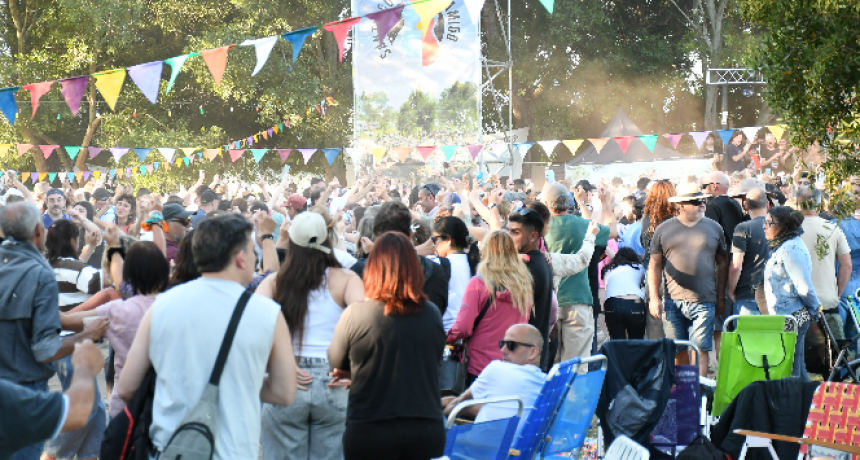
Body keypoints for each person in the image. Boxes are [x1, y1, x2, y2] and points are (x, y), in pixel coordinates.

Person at [117, 214, 298, 460]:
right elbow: (284, 392)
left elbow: (127, 388)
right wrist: (242, 380)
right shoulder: (267, 313)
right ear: (239, 258)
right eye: (251, 250)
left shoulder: (161, 306)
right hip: (234, 451)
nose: (255, 256)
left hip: (170, 448)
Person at [0, 202, 108, 460]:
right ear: (39, 232)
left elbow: (53, 317)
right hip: (23, 390)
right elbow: (45, 348)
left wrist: (90, 323)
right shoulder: (40, 274)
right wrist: (85, 340)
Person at [256, 212, 365, 460]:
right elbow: (368, 325)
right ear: (327, 239)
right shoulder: (347, 279)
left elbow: (252, 325)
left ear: (292, 242)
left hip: (286, 378)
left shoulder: (275, 282)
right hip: (333, 379)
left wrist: (275, 363)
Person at [328, 232, 446, 460]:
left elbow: (336, 363)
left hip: (370, 428)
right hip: (424, 428)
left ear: (372, 268)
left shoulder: (356, 314)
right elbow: (431, 359)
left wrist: (355, 372)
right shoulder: (431, 313)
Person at [61, 242, 169, 418]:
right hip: (165, 403)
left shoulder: (116, 310)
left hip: (124, 407)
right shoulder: (177, 304)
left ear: (129, 274)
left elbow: (66, 320)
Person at [649, 183, 727, 376]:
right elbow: (654, 265)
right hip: (672, 300)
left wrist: (720, 297)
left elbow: (723, 263)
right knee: (678, 349)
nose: (702, 204)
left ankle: (698, 391)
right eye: (696, 201)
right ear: (681, 205)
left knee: (701, 348)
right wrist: (653, 297)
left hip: (704, 300)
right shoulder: (663, 229)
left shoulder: (715, 228)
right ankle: (684, 390)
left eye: (703, 200)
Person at [448, 231, 533, 384]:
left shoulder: (479, 284)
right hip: (513, 364)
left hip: (481, 366)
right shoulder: (524, 284)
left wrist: (445, 337)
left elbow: (463, 327)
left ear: (486, 252)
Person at [0, 340, 105, 460]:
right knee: (87, 405)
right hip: (61, 341)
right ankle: (51, 456)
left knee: (95, 408)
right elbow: (76, 412)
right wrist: (86, 368)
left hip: (64, 340)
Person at [542, 182, 611, 363]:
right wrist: (605, 204)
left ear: (546, 204)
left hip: (549, 302)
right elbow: (613, 230)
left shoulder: (540, 228)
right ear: (569, 202)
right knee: (577, 366)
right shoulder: (583, 225)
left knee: (552, 367)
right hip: (579, 300)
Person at [441, 324, 545, 435]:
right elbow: (504, 414)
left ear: (533, 352)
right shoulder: (546, 382)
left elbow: (456, 407)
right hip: (514, 450)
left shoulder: (497, 369)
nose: (503, 350)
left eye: (511, 345)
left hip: (476, 447)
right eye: (502, 344)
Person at [349, 201, 449, 316]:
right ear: (410, 234)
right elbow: (439, 310)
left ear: (375, 235)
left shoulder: (358, 272)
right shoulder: (437, 272)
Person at [763, 206, 820, 381]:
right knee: (795, 366)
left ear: (784, 227)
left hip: (793, 317)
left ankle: (797, 404)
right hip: (787, 315)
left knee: (792, 367)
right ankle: (805, 403)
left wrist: (815, 308)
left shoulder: (791, 249)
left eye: (769, 222)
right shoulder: (784, 246)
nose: (764, 226)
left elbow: (804, 287)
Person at [795, 187, 852, 336]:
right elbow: (847, 265)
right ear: (820, 206)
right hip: (827, 301)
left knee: (798, 355)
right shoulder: (833, 228)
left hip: (797, 303)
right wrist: (837, 293)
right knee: (834, 354)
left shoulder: (791, 230)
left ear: (797, 205)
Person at [703, 171, 746, 353]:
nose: (703, 191)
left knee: (720, 324)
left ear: (714, 186)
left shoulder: (712, 205)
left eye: (704, 187)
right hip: (738, 263)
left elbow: (710, 237)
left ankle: (723, 368)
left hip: (722, 267)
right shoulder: (735, 205)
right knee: (732, 320)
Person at [506, 208, 553, 369]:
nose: (509, 238)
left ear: (533, 236)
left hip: (524, 359)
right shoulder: (538, 260)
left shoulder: (529, 266)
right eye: (508, 231)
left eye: (515, 232)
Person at [432, 217, 480, 332]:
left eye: (435, 239)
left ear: (449, 240)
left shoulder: (437, 263)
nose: (433, 245)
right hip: (469, 332)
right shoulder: (475, 263)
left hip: (446, 332)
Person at [728, 188, 771, 315]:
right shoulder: (780, 227)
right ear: (767, 204)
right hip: (774, 294)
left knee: (745, 335)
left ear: (746, 206)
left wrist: (730, 291)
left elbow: (736, 266)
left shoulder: (743, 228)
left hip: (748, 294)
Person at [44, 219, 102, 311]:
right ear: (73, 241)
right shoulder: (79, 271)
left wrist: (91, 247)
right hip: (75, 323)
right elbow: (107, 282)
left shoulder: (43, 266)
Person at [602, 247, 647, 339]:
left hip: (612, 303)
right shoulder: (639, 268)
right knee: (636, 342)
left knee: (617, 343)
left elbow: (607, 287)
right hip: (634, 303)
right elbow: (644, 282)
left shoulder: (608, 269)